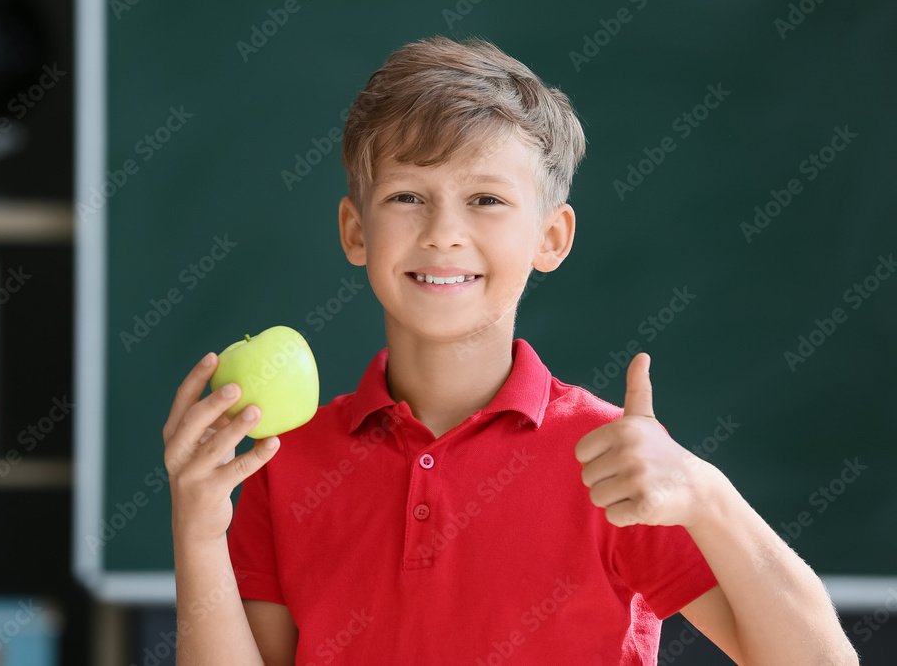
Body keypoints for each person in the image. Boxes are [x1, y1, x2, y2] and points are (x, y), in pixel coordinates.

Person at [162, 35, 858, 664]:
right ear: (355, 230)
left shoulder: (611, 458)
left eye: (486, 200)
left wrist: (706, 493)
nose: (443, 232)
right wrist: (197, 530)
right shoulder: (287, 462)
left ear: (551, 238)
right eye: (407, 196)